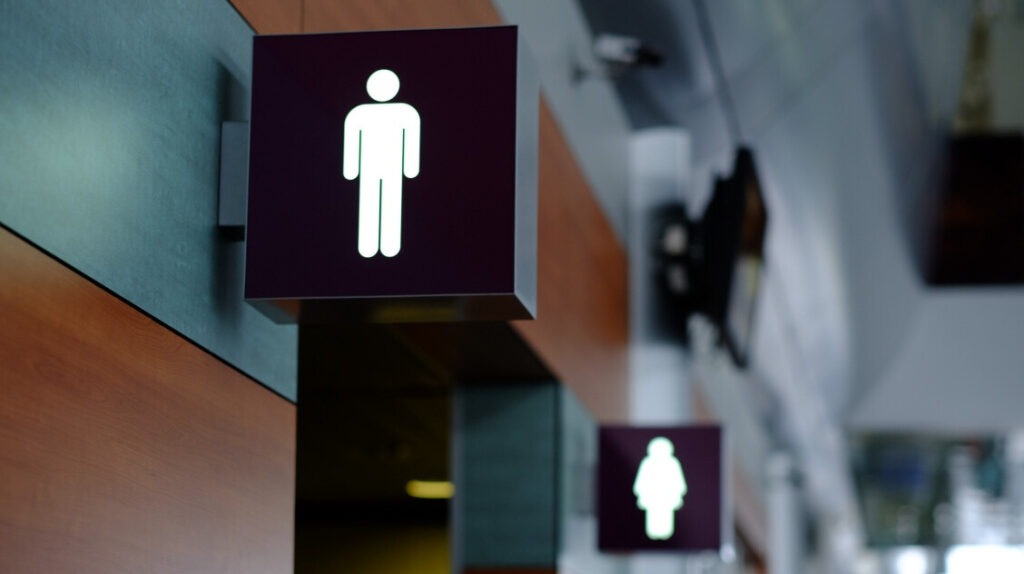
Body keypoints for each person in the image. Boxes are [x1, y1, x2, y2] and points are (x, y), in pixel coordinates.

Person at [343, 69, 421, 258]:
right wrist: (351, 169)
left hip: (391, 167)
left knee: (390, 202)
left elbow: (411, 141)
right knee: (369, 202)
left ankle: (389, 246)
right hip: (370, 167)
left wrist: (410, 167)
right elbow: (352, 141)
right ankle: (369, 246)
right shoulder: (359, 113)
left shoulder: (406, 112)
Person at [633, 436, 688, 540]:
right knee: (653, 519)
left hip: (667, 498)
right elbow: (641, 479)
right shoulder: (647, 463)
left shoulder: (672, 463)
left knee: (665, 519)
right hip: (652, 498)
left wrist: (678, 492)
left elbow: (678, 480)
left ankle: (665, 534)